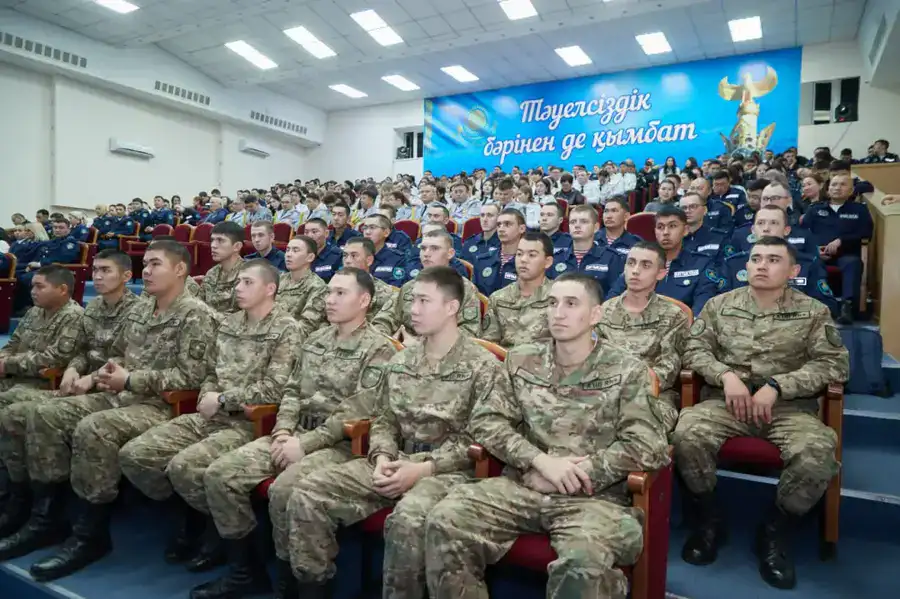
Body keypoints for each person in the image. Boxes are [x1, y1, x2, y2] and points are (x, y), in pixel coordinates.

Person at [424, 273, 669, 599]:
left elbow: (648, 444)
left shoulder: (627, 370)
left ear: (595, 315)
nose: (558, 312)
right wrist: (539, 461)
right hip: (523, 484)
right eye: (552, 303)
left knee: (582, 563)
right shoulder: (522, 359)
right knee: (445, 520)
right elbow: (487, 422)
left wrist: (577, 473)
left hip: (596, 500)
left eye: (571, 304)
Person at [283, 266, 504, 599]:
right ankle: (313, 589)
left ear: (451, 308)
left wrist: (424, 468)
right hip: (394, 458)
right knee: (308, 493)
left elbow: (481, 440)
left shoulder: (483, 366)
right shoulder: (401, 361)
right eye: (412, 300)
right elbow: (384, 418)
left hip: (448, 472)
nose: (412, 309)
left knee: (407, 520)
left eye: (424, 301)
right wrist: (383, 454)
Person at [16, 241, 216, 581]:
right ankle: (46, 518)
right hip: (121, 395)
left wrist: (131, 379)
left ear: (180, 269)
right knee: (42, 414)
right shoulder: (142, 310)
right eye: (145, 265)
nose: (146, 271)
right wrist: (100, 374)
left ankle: (90, 535)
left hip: (164, 406)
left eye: (155, 264)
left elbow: (192, 377)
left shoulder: (196, 314)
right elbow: (121, 353)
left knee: (95, 428)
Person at [194, 268, 397, 599]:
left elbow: (358, 410)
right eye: (328, 292)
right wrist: (284, 430)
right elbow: (290, 391)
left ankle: (298, 584)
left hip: (339, 445)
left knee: (286, 490)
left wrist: (305, 443)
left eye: (340, 293)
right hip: (293, 433)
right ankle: (246, 570)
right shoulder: (315, 340)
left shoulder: (379, 349)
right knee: (221, 474)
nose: (329, 299)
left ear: (364, 300)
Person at [673, 236, 849, 590]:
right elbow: (693, 349)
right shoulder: (720, 305)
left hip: (787, 409)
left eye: (773, 259)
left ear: (793, 270)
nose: (762, 266)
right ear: (746, 266)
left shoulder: (813, 312)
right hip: (726, 404)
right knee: (686, 432)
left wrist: (778, 385)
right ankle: (710, 520)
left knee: (817, 452)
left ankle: (776, 530)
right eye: (755, 258)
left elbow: (834, 365)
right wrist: (725, 376)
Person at [117, 259, 297, 576]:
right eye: (237, 282)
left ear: (270, 289)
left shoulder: (287, 329)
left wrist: (224, 400)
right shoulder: (228, 323)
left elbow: (276, 388)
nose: (237, 288)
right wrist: (207, 395)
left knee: (185, 466)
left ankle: (236, 548)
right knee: (136, 454)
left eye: (247, 283)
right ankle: (202, 518)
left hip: (250, 424)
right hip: (210, 413)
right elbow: (211, 372)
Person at [0, 253, 138, 540]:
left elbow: (128, 360)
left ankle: (54, 518)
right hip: (80, 386)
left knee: (30, 412)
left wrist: (89, 375)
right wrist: (74, 369)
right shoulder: (95, 307)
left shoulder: (139, 311)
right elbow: (81, 350)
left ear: (126, 276)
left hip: (114, 390)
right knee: (14, 414)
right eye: (95, 270)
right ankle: (26, 501)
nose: (97, 276)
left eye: (105, 270)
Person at [597, 241, 689, 434]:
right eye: (631, 263)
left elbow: (669, 368)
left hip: (654, 396)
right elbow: (592, 359)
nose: (636, 271)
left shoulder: (672, 315)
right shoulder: (604, 312)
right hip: (604, 393)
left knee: (638, 431)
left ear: (661, 274)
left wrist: (629, 388)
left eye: (646, 265)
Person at [607, 205, 722, 316]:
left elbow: (703, 306)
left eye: (672, 226)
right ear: (655, 231)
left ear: (685, 230)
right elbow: (612, 299)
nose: (666, 232)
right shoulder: (639, 261)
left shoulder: (701, 263)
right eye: (660, 227)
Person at [721, 208, 837, 316]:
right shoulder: (733, 264)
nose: (766, 228)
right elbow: (721, 305)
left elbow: (828, 307)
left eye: (774, 223)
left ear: (787, 230)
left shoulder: (807, 263)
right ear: (752, 230)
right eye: (761, 223)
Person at [373, 229, 482, 342]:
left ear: (450, 254)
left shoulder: (464, 288)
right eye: (423, 248)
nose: (426, 254)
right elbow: (383, 320)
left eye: (434, 248)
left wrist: (421, 344)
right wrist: (389, 342)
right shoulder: (409, 286)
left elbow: (469, 331)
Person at [801, 172, 873, 323]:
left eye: (842, 184)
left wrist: (842, 241)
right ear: (827, 189)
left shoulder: (859, 210)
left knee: (853, 264)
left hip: (846, 255)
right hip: (818, 255)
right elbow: (803, 233)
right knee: (811, 264)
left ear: (851, 190)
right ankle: (814, 308)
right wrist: (815, 249)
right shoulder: (815, 209)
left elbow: (866, 233)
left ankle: (847, 308)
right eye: (834, 184)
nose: (837, 188)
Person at [481, 232, 553, 349]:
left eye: (532, 255)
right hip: (504, 363)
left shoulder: (558, 298)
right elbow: (489, 345)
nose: (523, 260)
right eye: (519, 254)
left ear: (547, 262)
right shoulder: (498, 298)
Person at [550, 205, 625, 296]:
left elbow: (615, 294)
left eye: (584, 221)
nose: (577, 225)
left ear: (596, 227)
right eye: (573, 222)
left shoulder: (611, 258)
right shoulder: (557, 258)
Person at [276, 236, 328, 338]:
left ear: (310, 257)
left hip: (292, 340)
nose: (288, 255)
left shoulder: (317, 286)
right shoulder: (279, 279)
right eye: (287, 250)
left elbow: (307, 326)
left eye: (295, 250)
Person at [473, 209, 527, 296]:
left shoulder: (528, 263)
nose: (501, 229)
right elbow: (475, 295)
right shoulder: (482, 260)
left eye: (507, 224)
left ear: (521, 228)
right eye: (499, 225)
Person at [341, 237, 396, 319]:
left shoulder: (384, 293)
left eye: (354, 255)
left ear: (369, 260)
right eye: (345, 255)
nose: (347, 260)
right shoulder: (333, 288)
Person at [198, 221, 244, 315]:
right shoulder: (212, 273)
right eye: (212, 240)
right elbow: (200, 304)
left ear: (237, 246)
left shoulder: (247, 274)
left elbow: (242, 316)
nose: (213, 245)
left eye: (220, 240)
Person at [363, 214, 407, 287]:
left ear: (386, 232)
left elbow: (396, 288)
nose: (367, 232)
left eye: (372, 227)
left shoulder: (398, 259)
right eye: (365, 228)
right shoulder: (357, 256)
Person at [679, 192, 728, 259]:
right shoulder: (675, 239)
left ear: (704, 210)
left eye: (693, 206)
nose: (687, 211)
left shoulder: (719, 237)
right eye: (683, 208)